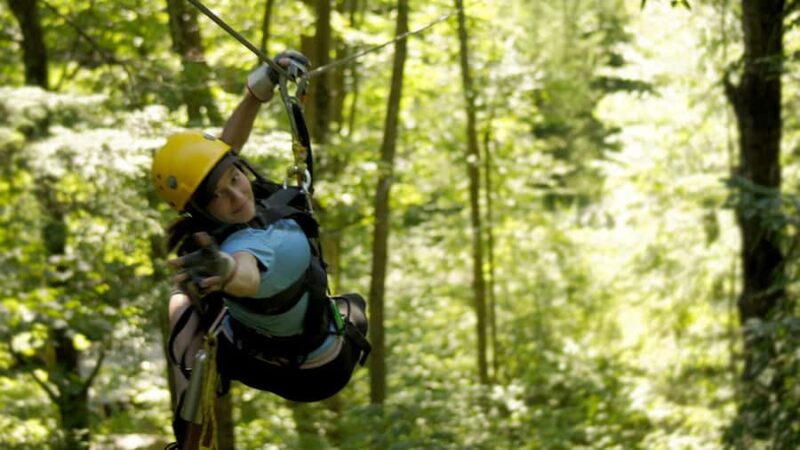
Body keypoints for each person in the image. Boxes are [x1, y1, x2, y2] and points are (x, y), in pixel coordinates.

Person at [151, 51, 370, 447]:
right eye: (219, 196)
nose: (236, 196)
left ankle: (193, 417)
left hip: (301, 366)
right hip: (293, 363)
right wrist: (228, 273)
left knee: (185, 305)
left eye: (236, 178)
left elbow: (221, 153)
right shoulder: (265, 238)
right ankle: (191, 435)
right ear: (202, 208)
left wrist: (260, 88)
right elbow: (246, 269)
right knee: (184, 302)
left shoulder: (267, 237)